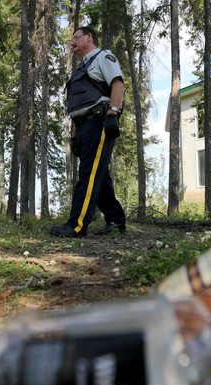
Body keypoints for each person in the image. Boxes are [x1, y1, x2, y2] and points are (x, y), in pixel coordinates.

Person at [50, 26, 126, 238]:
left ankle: (76, 225)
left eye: (76, 38)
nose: (72, 42)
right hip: (83, 126)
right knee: (98, 175)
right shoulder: (80, 70)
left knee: (88, 173)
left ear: (89, 37)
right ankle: (116, 220)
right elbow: (77, 106)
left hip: (99, 121)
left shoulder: (104, 57)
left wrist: (113, 114)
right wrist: (74, 135)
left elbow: (118, 86)